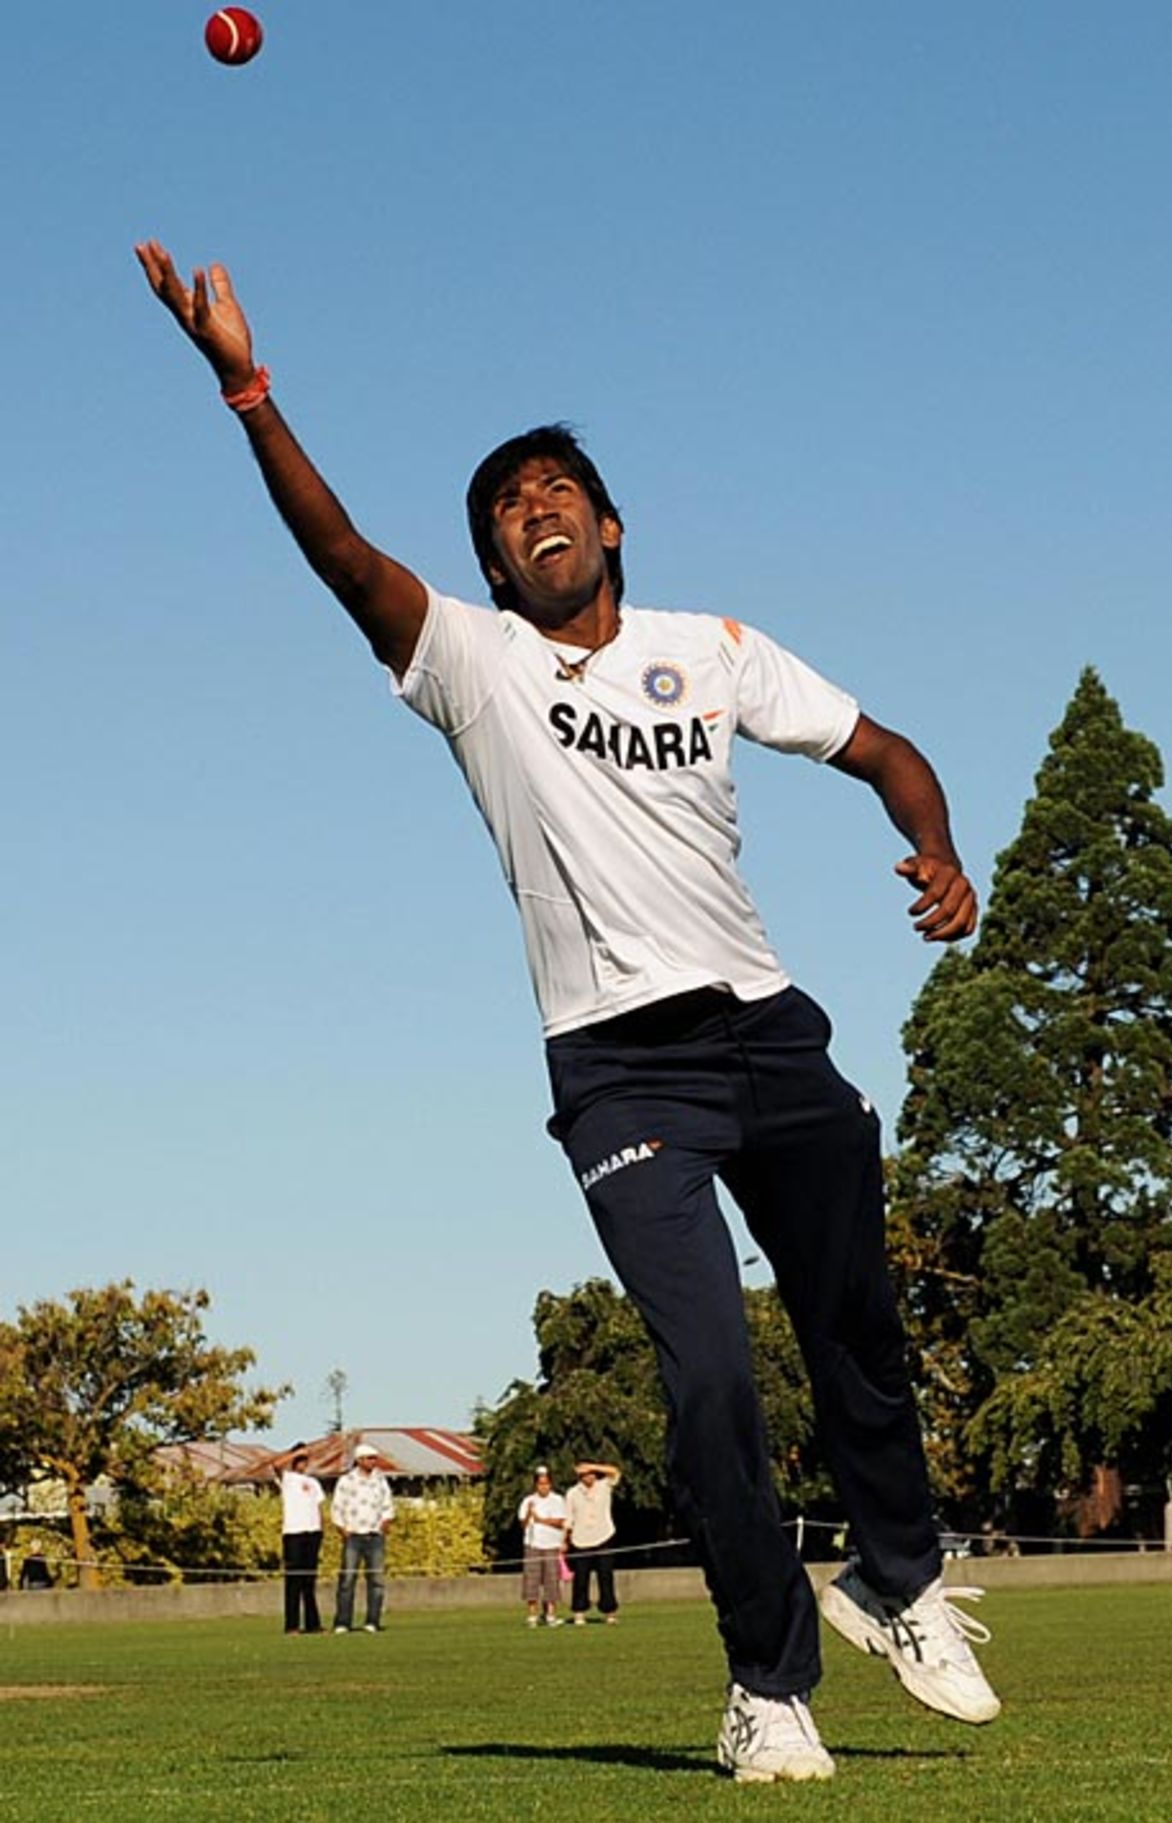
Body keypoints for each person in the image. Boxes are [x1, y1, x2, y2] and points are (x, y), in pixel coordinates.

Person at [135, 242, 1000, 1783]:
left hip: (768, 1027)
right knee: (713, 1372)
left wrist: (937, 849)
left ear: (609, 525)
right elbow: (341, 554)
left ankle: (897, 1576)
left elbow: (885, 750)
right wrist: (247, 388)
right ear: (491, 564)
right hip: (622, 1067)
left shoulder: (711, 650)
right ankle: (768, 1684)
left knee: (858, 1323)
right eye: (503, 506)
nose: (531, 507)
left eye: (555, 489)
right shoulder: (475, 666)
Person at [331, 1443, 394, 1633]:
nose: (373, 1462)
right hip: (354, 1535)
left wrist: (385, 1523)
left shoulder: (380, 1480)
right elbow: (337, 1506)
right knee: (347, 1579)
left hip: (374, 1535)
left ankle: (372, 1621)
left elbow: (387, 1504)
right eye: (369, 1458)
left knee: (376, 1580)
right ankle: (343, 1622)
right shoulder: (346, 1481)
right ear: (359, 1460)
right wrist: (342, 1528)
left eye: (375, 1458)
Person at [564, 1461, 621, 1625]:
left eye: (592, 1474)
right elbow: (568, 1519)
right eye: (585, 1474)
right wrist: (564, 1540)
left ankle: (609, 1611)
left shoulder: (604, 1486)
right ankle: (579, 1611)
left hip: (604, 1536)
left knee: (606, 1576)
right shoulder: (572, 1493)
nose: (589, 1477)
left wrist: (592, 1466)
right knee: (581, 1578)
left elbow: (615, 1472)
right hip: (581, 1540)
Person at [278, 1443, 325, 1635]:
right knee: (293, 1581)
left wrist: (321, 1530)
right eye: (299, 1459)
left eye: (305, 1459)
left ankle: (313, 1624)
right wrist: (295, 1453)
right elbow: (275, 1466)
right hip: (294, 1533)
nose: (302, 1463)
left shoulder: (313, 1482)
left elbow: (319, 1506)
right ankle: (292, 1625)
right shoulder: (287, 1479)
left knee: (309, 1581)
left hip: (312, 1532)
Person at [518, 1467, 568, 1628]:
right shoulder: (528, 1500)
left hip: (551, 1545)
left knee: (552, 1580)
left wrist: (541, 1520)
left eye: (546, 1484)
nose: (543, 1487)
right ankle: (532, 1615)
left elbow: (561, 1521)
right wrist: (529, 1513)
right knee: (531, 1580)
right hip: (533, 1544)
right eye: (540, 1484)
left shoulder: (558, 1500)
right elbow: (523, 1523)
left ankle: (551, 1614)